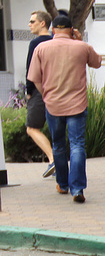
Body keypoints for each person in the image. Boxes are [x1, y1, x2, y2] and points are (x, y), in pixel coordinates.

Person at [27, 10, 102, 204]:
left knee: (58, 145)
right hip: (77, 104)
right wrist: (79, 39)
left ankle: (62, 183)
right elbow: (97, 62)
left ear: (52, 29)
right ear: (71, 29)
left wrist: (45, 94)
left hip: (53, 104)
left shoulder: (41, 48)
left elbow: (34, 78)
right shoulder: (81, 47)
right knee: (77, 145)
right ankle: (77, 188)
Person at [25, 10, 55, 178]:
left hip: (39, 90)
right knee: (55, 128)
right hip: (58, 89)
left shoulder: (35, 43)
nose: (29, 24)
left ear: (42, 23)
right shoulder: (55, 41)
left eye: (32, 21)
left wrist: (29, 92)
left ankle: (53, 160)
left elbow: (31, 70)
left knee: (32, 128)